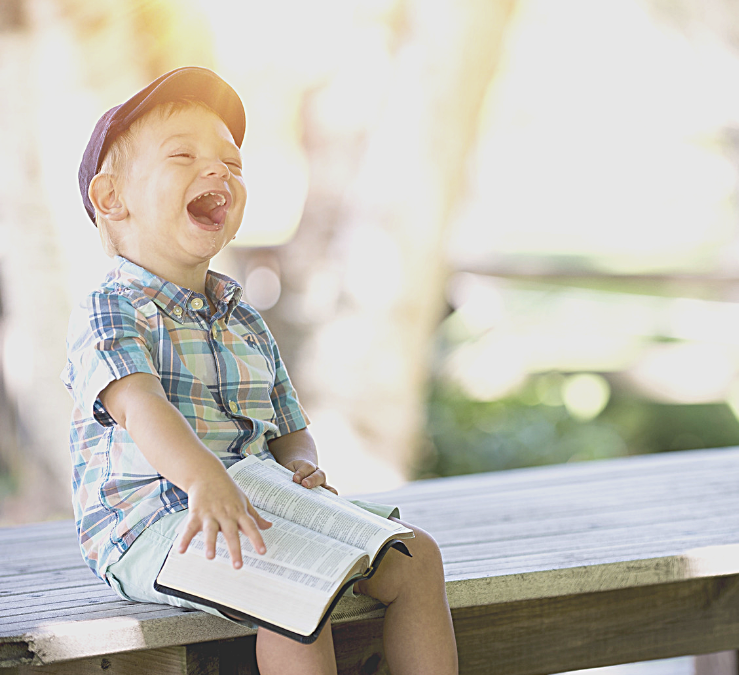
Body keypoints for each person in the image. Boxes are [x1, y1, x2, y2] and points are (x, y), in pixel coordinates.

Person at [62, 66, 458, 675]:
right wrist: (204, 479)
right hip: (154, 524)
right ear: (113, 198)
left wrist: (300, 462)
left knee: (415, 556)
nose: (219, 169)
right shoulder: (112, 309)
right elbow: (141, 407)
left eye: (232, 161)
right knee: (295, 588)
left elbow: (288, 424)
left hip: (255, 502)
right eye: (183, 155)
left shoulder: (242, 317)